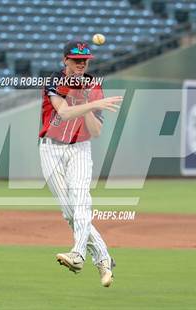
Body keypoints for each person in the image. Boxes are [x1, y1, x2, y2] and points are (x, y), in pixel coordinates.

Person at [38, 40, 123, 287]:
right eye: (76, 60)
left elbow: (96, 131)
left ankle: (78, 254)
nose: (81, 65)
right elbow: (62, 112)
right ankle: (104, 259)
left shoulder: (93, 85)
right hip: (50, 149)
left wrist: (88, 106)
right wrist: (92, 103)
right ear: (65, 60)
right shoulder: (54, 80)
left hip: (80, 149)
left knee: (81, 199)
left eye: (84, 61)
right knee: (69, 213)